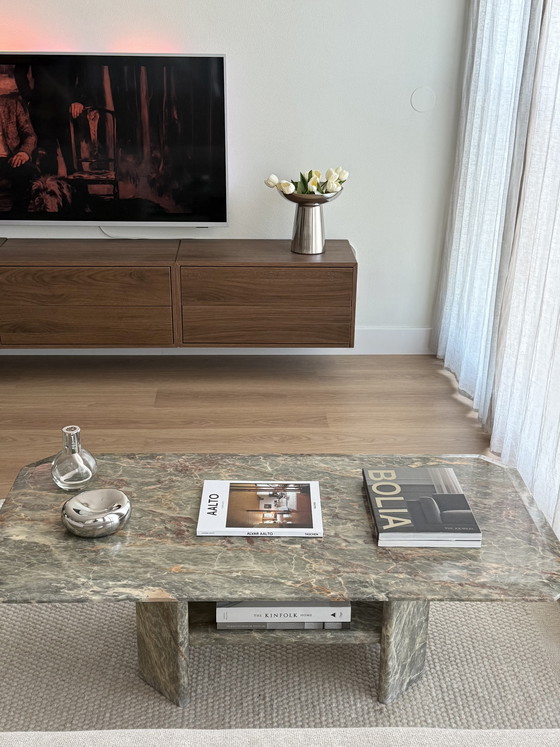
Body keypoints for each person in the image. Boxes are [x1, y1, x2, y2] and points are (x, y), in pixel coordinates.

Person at [0, 91, 38, 215]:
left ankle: (17, 217)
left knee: (25, 173)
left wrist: (23, 153)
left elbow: (30, 135)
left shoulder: (13, 105)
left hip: (11, 157)